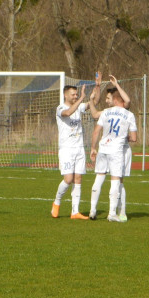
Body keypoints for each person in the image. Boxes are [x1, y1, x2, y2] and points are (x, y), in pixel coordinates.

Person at [88, 75, 134, 221]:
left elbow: (96, 131)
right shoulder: (128, 114)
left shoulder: (107, 113)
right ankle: (114, 213)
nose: (106, 101)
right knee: (117, 181)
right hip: (118, 150)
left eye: (108, 98)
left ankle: (93, 210)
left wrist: (93, 148)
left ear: (114, 99)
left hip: (103, 148)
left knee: (99, 178)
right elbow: (133, 138)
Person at [51, 82, 90, 219]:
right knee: (68, 179)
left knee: (78, 178)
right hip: (66, 149)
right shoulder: (60, 108)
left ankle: (75, 211)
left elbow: (92, 104)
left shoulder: (79, 107)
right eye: (73, 94)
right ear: (65, 95)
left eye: (76, 94)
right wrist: (81, 100)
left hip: (79, 148)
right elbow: (68, 113)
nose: (75, 96)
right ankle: (56, 202)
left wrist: (97, 87)